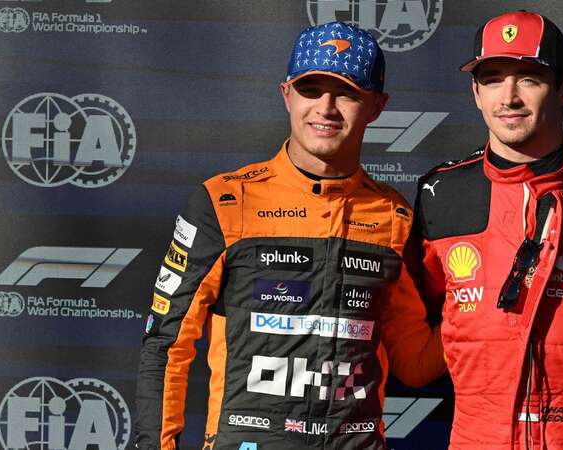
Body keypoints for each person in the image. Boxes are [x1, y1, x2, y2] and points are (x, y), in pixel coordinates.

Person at [134, 21, 445, 450]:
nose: (326, 107)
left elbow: (413, 363)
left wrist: (479, 313)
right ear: (286, 94)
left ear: (376, 106)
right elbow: (167, 343)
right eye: (311, 89)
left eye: (348, 92)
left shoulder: (395, 217)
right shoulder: (225, 200)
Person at [407, 10, 563, 450]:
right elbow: (409, 321)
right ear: (475, 93)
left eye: (529, 78)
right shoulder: (441, 193)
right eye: (493, 78)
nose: (510, 96)